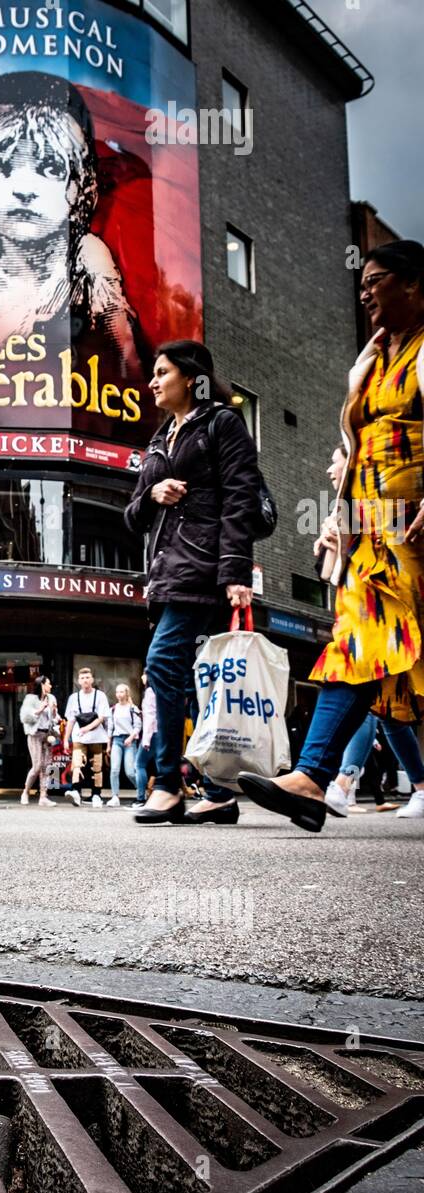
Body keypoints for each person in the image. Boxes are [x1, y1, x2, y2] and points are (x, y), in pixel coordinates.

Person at [238, 242, 424, 830]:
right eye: (362, 281)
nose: (364, 291)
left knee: (379, 652)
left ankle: (316, 778)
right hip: (371, 533)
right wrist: (336, 517)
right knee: (361, 645)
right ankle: (314, 777)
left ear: (414, 285)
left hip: (412, 528)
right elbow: (357, 448)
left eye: (377, 280)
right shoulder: (372, 359)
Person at [0, 72, 139, 375]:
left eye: (50, 167)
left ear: (81, 186)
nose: (23, 189)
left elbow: (125, 356)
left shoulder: (87, 255)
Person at [124, 340, 259, 825]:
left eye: (162, 372)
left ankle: (167, 784)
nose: (153, 381)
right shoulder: (158, 440)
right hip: (164, 575)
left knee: (162, 664)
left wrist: (236, 573)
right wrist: (153, 493)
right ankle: (219, 789)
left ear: (190, 376)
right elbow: (132, 515)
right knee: (193, 680)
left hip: (203, 570)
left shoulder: (221, 424)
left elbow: (242, 497)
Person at [325, 713, 424, 817]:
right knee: (385, 715)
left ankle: (344, 793)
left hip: (364, 750)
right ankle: (345, 794)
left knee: (389, 715)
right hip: (359, 750)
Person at [63, 667, 110, 807]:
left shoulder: (100, 695)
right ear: (78, 680)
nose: (85, 680)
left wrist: (87, 728)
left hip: (96, 736)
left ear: (92, 680)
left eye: (88, 677)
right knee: (77, 764)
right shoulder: (73, 697)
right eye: (82, 678)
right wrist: (66, 738)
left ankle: (96, 794)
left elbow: (102, 717)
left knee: (96, 766)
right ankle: (76, 791)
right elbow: (70, 720)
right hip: (78, 737)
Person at [19, 675, 58, 806]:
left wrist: (55, 713)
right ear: (42, 684)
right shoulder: (30, 699)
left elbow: (55, 718)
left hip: (47, 735)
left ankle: (43, 797)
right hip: (35, 734)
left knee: (46, 766)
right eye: (48, 683)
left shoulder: (51, 698)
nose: (50, 686)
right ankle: (25, 792)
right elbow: (24, 717)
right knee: (37, 766)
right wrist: (39, 710)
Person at [106, 684, 141, 807]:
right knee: (114, 770)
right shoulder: (113, 709)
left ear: (126, 693)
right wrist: (108, 745)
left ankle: (141, 791)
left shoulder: (133, 708)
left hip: (130, 741)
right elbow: (110, 728)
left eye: (121, 692)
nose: (119, 694)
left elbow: (138, 726)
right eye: (117, 692)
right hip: (117, 740)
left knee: (130, 772)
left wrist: (131, 737)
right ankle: (115, 796)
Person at [134, 671, 157, 809]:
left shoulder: (149, 691)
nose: (142, 677)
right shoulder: (161, 691)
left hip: (152, 733)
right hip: (162, 733)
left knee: (139, 764)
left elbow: (150, 717)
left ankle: (140, 798)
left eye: (144, 674)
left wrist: (146, 739)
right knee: (161, 765)